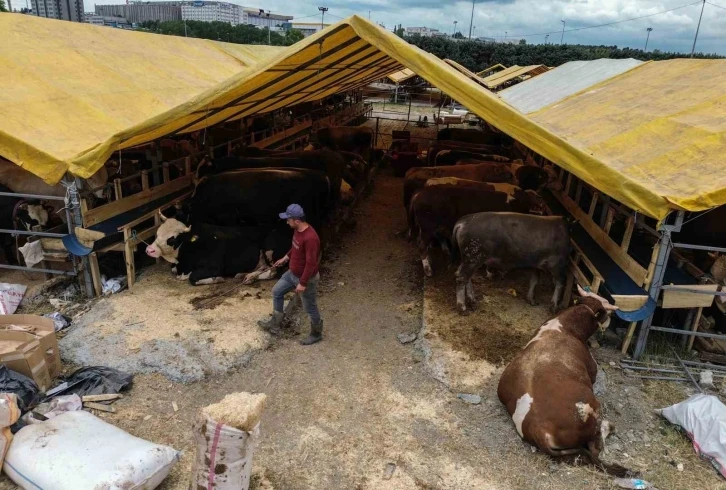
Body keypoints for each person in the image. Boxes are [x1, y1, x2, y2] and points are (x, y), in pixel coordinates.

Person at [258, 204, 323, 345]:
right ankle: (275, 323)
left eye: (288, 219)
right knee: (277, 291)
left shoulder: (310, 238)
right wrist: (285, 258)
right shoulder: (298, 230)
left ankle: (316, 333)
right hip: (292, 273)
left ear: (297, 220)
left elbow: (311, 264)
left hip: (306, 277)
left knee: (309, 307)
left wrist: (303, 283)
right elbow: (295, 247)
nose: (287, 222)